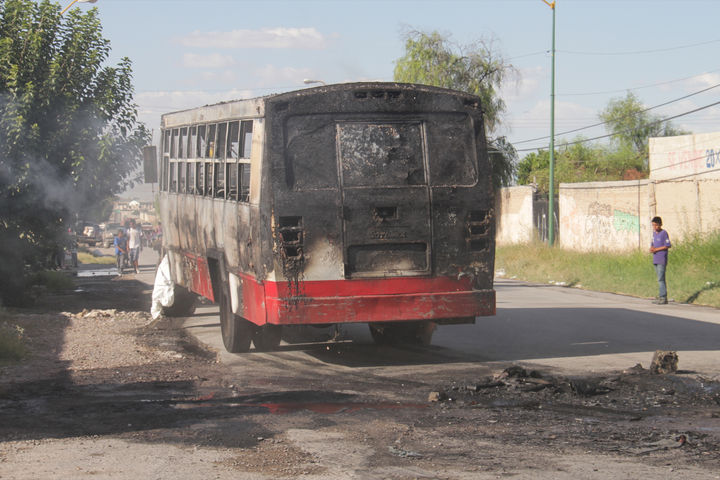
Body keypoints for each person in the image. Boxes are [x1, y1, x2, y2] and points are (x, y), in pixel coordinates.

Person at [649, 216, 671, 304]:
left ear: (660, 224)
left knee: (661, 279)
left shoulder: (664, 233)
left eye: (656, 225)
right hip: (655, 259)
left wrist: (656, 249)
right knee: (659, 279)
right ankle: (661, 295)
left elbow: (667, 245)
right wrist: (651, 248)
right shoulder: (654, 233)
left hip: (662, 259)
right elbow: (653, 243)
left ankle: (663, 297)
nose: (655, 227)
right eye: (653, 225)